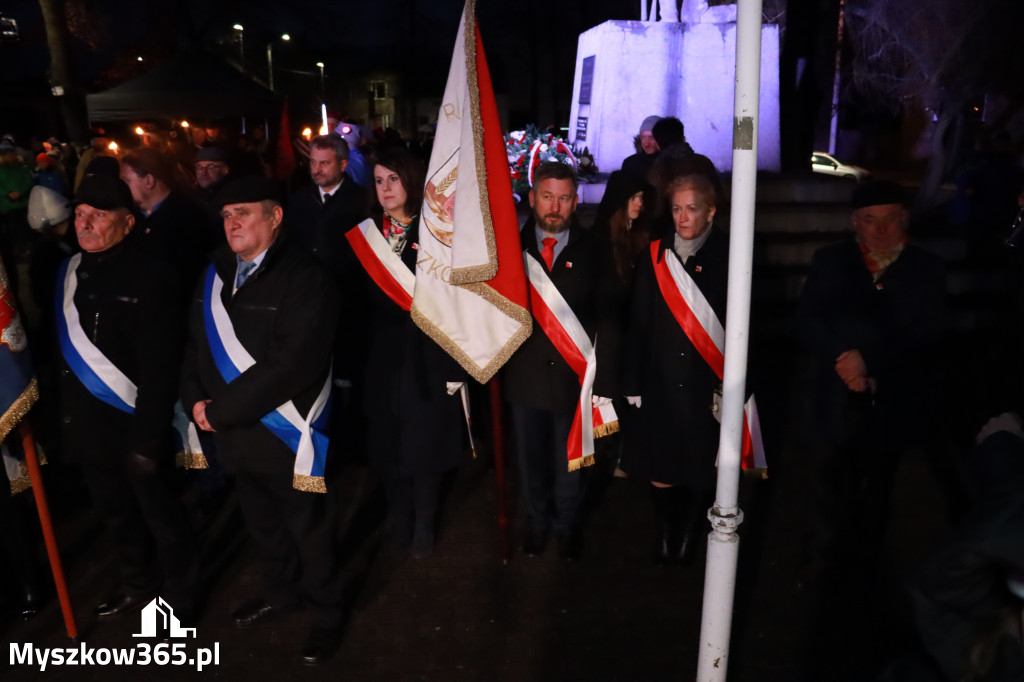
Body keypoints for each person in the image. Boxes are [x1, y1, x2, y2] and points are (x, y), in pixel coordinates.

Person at [180, 176, 343, 665]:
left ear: (275, 217)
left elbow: (292, 364)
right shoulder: (213, 272)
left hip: (285, 433)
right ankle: (280, 592)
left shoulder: (307, 277)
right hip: (234, 436)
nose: (231, 223)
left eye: (244, 213)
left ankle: (327, 613)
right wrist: (194, 402)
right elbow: (193, 347)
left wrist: (219, 411)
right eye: (226, 215)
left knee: (309, 531)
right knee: (262, 526)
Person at [55, 174, 199, 622]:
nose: (86, 224)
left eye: (99, 216)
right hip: (90, 430)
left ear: (128, 223)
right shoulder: (66, 272)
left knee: (163, 521)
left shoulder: (152, 273)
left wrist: (146, 440)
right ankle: (140, 585)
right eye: (80, 214)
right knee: (118, 519)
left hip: (136, 426)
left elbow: (159, 366)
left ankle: (181, 600)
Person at [796, 180, 946, 579]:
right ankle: (822, 556)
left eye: (889, 219)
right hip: (834, 392)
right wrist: (843, 361)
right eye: (869, 220)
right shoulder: (829, 260)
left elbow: (927, 330)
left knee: (878, 482)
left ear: (904, 219)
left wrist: (870, 361)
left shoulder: (926, 269)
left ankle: (867, 559)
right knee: (827, 479)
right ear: (854, 221)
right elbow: (809, 318)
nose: (880, 230)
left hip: (892, 395)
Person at [340, 148, 466, 558]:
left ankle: (425, 521)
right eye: (378, 181)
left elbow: (453, 303)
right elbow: (352, 303)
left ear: (411, 182)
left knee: (424, 443)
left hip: (426, 356)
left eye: (393, 179)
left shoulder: (437, 235)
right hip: (379, 357)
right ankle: (400, 517)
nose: (385, 189)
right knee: (386, 442)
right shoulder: (365, 236)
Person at [621, 168, 732, 566]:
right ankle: (666, 532)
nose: (683, 217)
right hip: (660, 382)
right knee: (662, 462)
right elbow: (639, 322)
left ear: (711, 212)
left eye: (692, 209)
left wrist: (734, 386)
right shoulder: (655, 255)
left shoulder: (731, 257)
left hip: (707, 383)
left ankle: (689, 534)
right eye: (676, 209)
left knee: (703, 465)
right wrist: (632, 380)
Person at [502, 161, 606, 561]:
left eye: (564, 198)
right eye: (547, 196)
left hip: (572, 376)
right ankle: (537, 521)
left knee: (572, 458)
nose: (555, 207)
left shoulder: (594, 250)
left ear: (575, 202)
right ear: (532, 198)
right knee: (530, 459)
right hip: (524, 375)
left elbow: (606, 315)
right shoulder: (510, 248)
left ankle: (566, 525)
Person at [591, 170, 655, 477]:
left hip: (635, 335)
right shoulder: (601, 241)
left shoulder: (640, 236)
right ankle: (608, 459)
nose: (639, 204)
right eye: (634, 198)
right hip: (610, 336)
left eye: (642, 198)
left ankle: (626, 457)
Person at [119, 148, 210, 280]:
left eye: (127, 181)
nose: (122, 187)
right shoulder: (134, 217)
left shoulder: (186, 219)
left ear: (149, 180)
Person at [285, 134, 366, 264]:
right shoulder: (299, 200)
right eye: (313, 162)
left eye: (324, 163)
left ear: (343, 165)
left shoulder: (362, 201)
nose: (317, 169)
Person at [620, 115, 661, 182]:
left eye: (652, 138)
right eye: (643, 137)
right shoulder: (630, 163)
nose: (646, 143)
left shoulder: (671, 164)